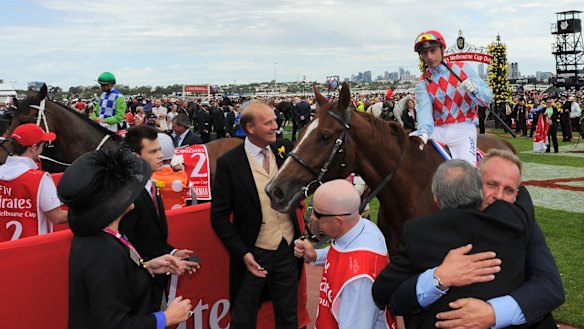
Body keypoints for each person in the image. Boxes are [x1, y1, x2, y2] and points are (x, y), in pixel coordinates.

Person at [373, 150, 564, 329]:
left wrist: (493, 313)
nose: (498, 197)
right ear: (475, 183)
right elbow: (396, 296)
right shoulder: (428, 229)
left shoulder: (522, 224)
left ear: (517, 195)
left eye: (508, 190)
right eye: (492, 185)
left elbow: (550, 287)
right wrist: (438, 278)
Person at [59, 148, 198, 328]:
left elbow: (111, 284)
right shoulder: (104, 251)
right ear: (110, 203)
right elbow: (114, 324)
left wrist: (147, 267)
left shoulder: (98, 236)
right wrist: (166, 318)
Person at [211, 100, 302, 329]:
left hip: (287, 250)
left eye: (275, 121)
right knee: (243, 319)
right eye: (268, 122)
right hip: (253, 253)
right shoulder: (229, 163)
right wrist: (242, 253)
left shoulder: (284, 150)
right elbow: (219, 216)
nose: (276, 126)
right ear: (250, 128)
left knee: (289, 318)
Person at [294, 179, 395, 329]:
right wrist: (316, 255)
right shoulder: (361, 229)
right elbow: (344, 252)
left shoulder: (359, 280)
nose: (313, 218)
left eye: (318, 214)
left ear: (338, 221)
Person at [120, 125, 195, 305]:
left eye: (160, 150)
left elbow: (152, 235)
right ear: (136, 156)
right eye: (153, 151)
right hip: (137, 287)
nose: (161, 156)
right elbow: (125, 245)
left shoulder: (151, 185)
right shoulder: (127, 195)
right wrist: (149, 265)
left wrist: (172, 251)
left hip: (156, 280)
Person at [411, 30, 493, 165]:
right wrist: (424, 132)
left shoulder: (463, 68)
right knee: (403, 144)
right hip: (437, 130)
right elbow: (424, 111)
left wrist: (475, 90)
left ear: (442, 49)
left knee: (467, 172)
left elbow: (487, 98)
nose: (430, 56)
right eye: (424, 53)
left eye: (433, 50)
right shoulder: (422, 82)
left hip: (463, 128)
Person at [0, 124, 67, 242]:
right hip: (32, 251)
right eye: (42, 145)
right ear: (33, 147)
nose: (42, 149)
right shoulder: (40, 179)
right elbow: (57, 217)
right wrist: (89, 213)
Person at [152, 133, 189, 211]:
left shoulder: (149, 178)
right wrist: (179, 170)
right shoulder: (182, 177)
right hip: (178, 218)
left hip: (157, 220)